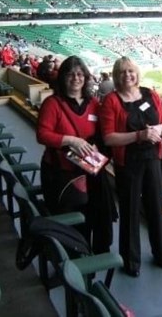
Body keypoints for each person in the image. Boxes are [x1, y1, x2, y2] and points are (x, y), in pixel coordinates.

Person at [100, 56, 162, 277]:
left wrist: (159, 130)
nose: (127, 75)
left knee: (155, 207)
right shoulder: (111, 100)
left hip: (152, 159)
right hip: (127, 162)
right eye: (122, 72)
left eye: (130, 71)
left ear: (136, 73)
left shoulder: (150, 94)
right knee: (130, 212)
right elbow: (109, 138)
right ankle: (131, 261)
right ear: (116, 76)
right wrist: (140, 135)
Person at [36, 55, 115, 254]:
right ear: (62, 77)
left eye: (80, 74)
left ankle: (88, 253)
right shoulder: (52, 103)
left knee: (91, 214)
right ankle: (68, 257)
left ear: (86, 78)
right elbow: (42, 135)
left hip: (88, 171)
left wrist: (96, 146)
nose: (76, 78)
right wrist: (71, 140)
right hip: (61, 174)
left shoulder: (94, 104)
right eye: (70, 74)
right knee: (70, 217)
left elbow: (103, 133)